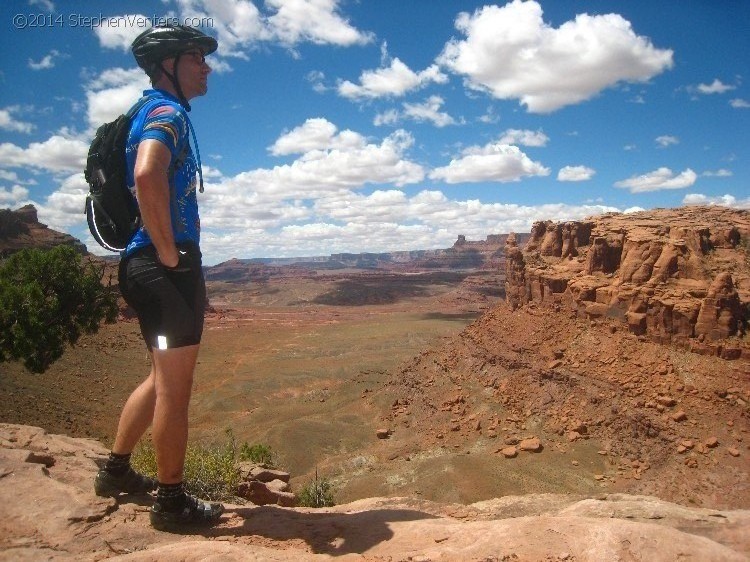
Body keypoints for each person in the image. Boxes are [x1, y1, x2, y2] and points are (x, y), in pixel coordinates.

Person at [93, 24, 223, 532]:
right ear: (167, 64)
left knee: (159, 377)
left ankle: (115, 472)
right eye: (196, 57)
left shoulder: (153, 110)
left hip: (145, 263)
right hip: (162, 265)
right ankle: (171, 504)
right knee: (176, 389)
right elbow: (149, 173)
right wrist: (170, 254)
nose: (206, 67)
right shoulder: (165, 113)